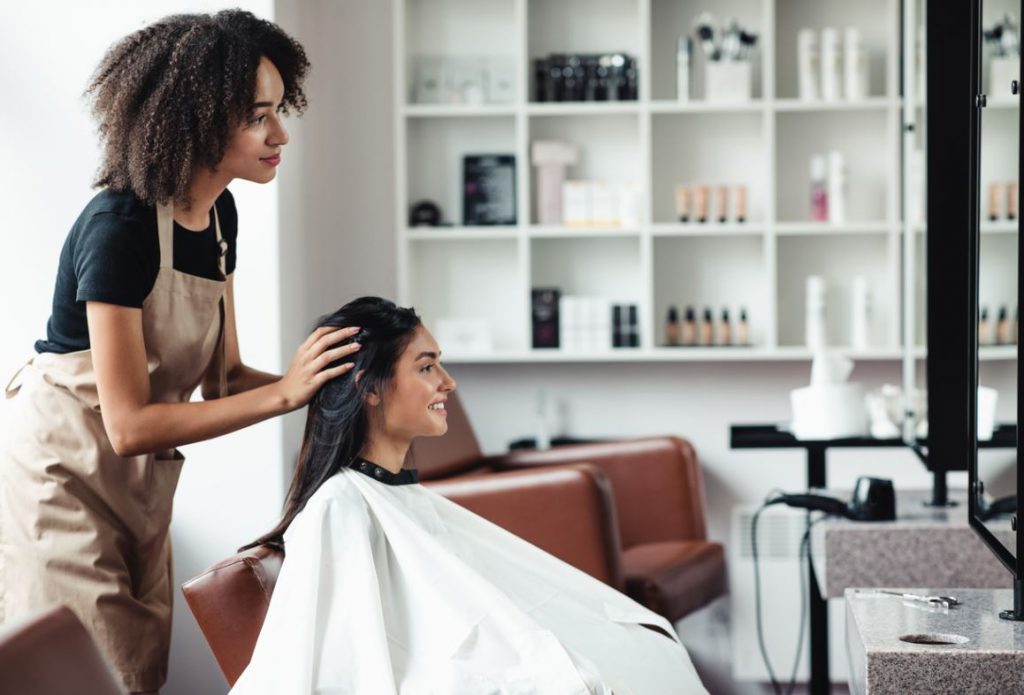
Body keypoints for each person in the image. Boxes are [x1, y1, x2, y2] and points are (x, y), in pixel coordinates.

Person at [0, 11, 361, 694]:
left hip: (136, 488)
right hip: (60, 478)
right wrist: (285, 391)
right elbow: (129, 423)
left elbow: (224, 382)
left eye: (280, 109)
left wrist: (322, 382)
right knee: (92, 676)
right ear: (198, 118)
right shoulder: (120, 226)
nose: (280, 133)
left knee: (137, 667)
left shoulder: (219, 217)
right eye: (259, 116)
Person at [232, 297, 708, 694]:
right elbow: (353, 665)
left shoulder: (395, 493)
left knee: (642, 645)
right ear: (370, 389)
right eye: (427, 366)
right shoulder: (339, 507)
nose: (447, 382)